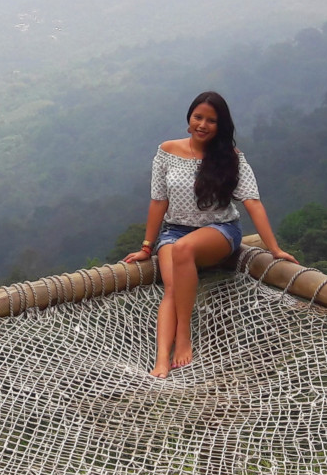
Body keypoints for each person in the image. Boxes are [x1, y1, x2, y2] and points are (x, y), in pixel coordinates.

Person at [122, 90, 296, 377]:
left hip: (219, 231)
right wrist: (146, 246)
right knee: (171, 288)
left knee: (183, 251)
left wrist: (274, 249)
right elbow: (158, 201)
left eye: (211, 120)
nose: (202, 125)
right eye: (198, 117)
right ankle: (161, 361)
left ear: (221, 125)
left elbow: (253, 203)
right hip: (175, 231)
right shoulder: (166, 151)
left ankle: (185, 337)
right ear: (189, 118)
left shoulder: (231, 159)